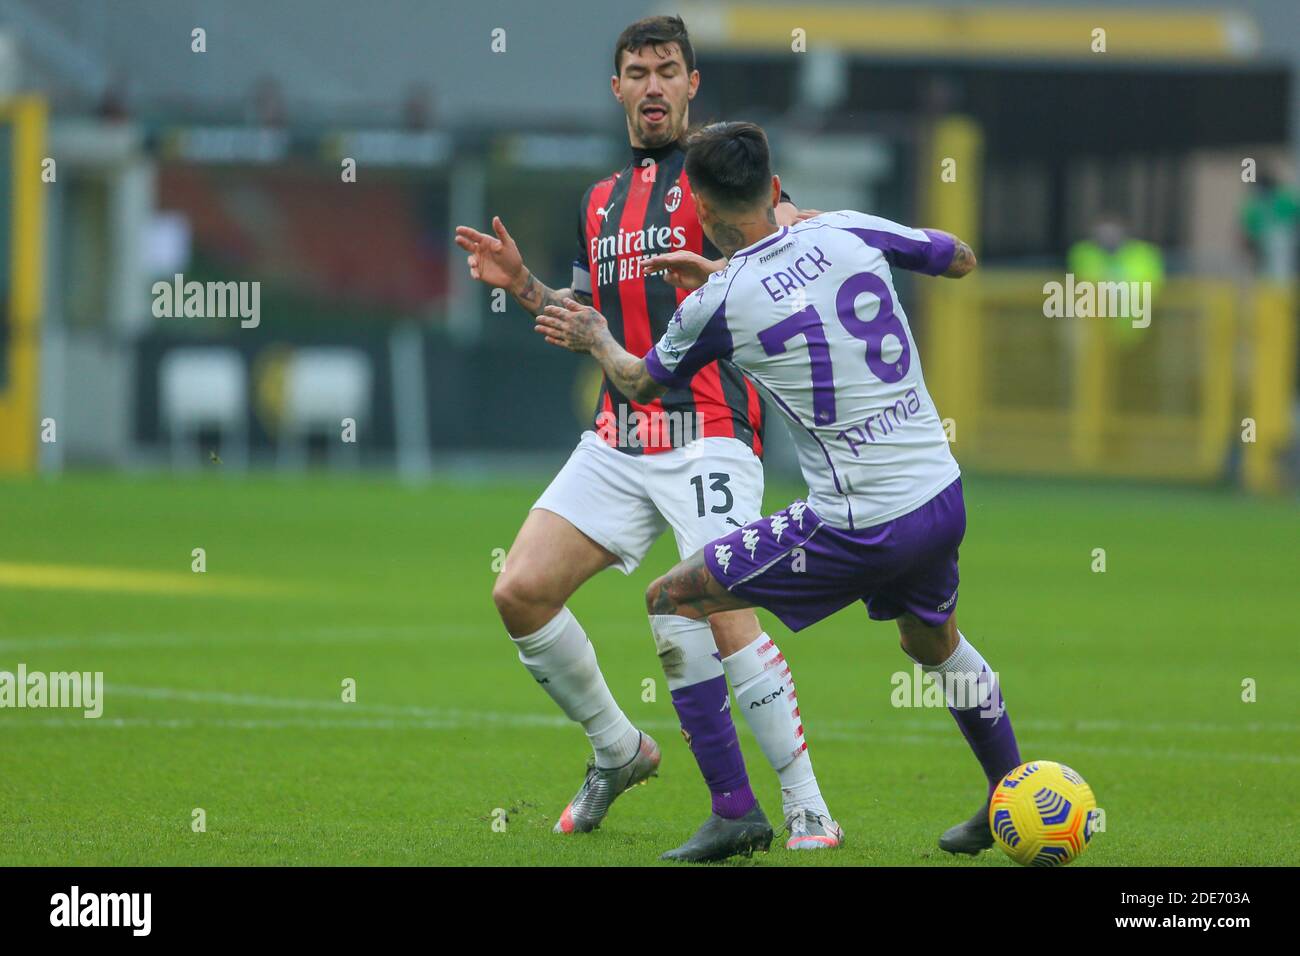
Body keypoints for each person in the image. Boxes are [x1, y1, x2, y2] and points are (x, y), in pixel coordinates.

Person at [536, 120, 1023, 855]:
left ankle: (735, 808)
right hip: (940, 496)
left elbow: (637, 381)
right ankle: (1009, 792)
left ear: (697, 209)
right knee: (930, 640)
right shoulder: (846, 228)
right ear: (773, 187)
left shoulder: (718, 301)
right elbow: (958, 258)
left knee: (674, 598)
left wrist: (597, 338)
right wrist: (811, 233)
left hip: (858, 523)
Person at [453, 17, 840, 862]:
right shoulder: (601, 199)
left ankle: (806, 808)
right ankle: (618, 750)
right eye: (638, 71)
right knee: (518, 592)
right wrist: (522, 285)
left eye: (670, 69)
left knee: (712, 610)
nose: (654, 84)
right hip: (619, 433)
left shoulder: (724, 178)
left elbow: (792, 244)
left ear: (693, 85)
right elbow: (593, 317)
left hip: (709, 427)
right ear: (618, 88)